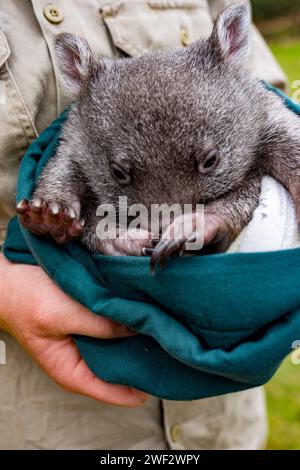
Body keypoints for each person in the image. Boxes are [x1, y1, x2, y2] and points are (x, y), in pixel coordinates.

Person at [0, 0, 287, 449]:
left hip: (219, 412)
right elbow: (67, 172)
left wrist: (223, 214)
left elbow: (268, 108)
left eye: (206, 161)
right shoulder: (86, 131)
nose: (164, 215)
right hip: (55, 415)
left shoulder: (234, 85)